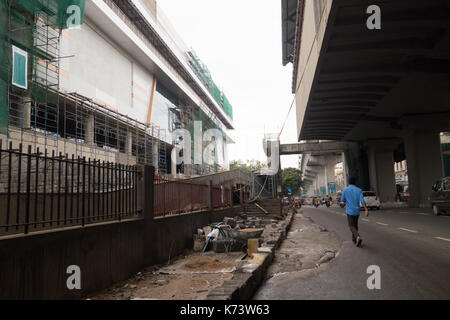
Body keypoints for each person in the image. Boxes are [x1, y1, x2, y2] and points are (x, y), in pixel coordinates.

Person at [340, 177, 368, 247]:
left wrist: (342, 204)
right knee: (355, 225)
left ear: (348, 182)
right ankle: (354, 240)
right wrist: (366, 209)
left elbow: (342, 201)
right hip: (357, 211)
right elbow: (362, 201)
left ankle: (357, 236)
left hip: (350, 211)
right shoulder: (359, 190)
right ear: (355, 182)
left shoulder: (345, 190)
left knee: (351, 225)